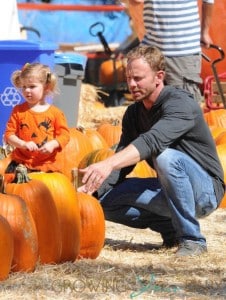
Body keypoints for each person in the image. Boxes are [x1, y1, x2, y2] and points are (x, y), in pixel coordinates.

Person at [78, 45, 225, 257]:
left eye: (138, 78)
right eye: (129, 78)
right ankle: (171, 230)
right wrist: (91, 192)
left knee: (166, 158)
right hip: (170, 190)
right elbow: (124, 161)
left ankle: (192, 240)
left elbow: (153, 141)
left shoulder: (180, 104)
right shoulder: (133, 113)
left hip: (204, 192)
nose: (131, 84)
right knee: (103, 202)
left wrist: (107, 163)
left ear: (159, 76)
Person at [125, 0, 214, 103]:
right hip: (150, 48)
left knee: (183, 106)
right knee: (148, 106)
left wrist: (205, 32)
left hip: (182, 50)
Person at [4, 63, 70, 173]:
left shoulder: (55, 113)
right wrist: (23, 144)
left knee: (50, 188)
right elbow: (9, 135)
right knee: (13, 188)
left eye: (32, 86)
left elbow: (65, 135)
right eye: (24, 87)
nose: (26, 90)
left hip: (47, 164)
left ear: (46, 87)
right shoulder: (18, 110)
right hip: (21, 163)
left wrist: (53, 144)